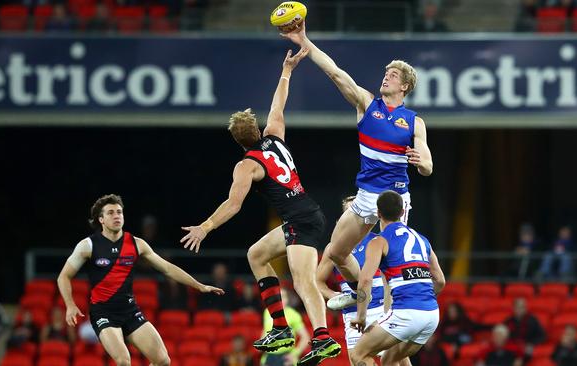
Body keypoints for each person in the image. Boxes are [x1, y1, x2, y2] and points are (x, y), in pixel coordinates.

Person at [180, 47, 342, 365]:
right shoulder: (275, 135)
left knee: (303, 281)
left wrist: (206, 226)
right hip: (305, 215)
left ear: (238, 141)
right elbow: (278, 103)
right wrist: (287, 71)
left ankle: (323, 338)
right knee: (256, 254)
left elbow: (233, 204)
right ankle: (280, 326)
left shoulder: (246, 164)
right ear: (257, 130)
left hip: (300, 220)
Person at [282, 23, 433, 292]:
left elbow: (428, 166)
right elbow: (335, 73)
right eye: (386, 72)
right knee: (336, 252)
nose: (386, 77)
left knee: (391, 263)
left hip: (394, 200)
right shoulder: (366, 103)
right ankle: (363, 294)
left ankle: (387, 310)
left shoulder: (414, 122)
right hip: (365, 195)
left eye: (394, 75)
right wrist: (304, 40)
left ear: (405, 86)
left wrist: (421, 163)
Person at [57, 194, 224, 366]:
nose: (117, 216)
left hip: (130, 311)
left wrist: (199, 286)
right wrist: (70, 304)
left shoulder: (137, 244)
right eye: (111, 213)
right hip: (103, 313)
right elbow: (64, 276)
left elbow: (167, 268)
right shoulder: (88, 245)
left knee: (163, 361)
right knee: (123, 361)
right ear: (101, 219)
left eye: (119, 212)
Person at [349, 190, 445, 365]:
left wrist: (361, 317)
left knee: (358, 354)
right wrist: (422, 299)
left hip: (406, 313)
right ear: (402, 212)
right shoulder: (423, 240)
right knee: (389, 360)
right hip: (431, 315)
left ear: (378, 213)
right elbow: (440, 280)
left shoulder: (379, 241)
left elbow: (365, 280)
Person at [316, 196, 389, 364]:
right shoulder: (333, 248)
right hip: (353, 313)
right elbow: (317, 281)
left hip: (380, 308)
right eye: (352, 212)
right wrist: (333, 295)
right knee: (359, 361)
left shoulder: (379, 241)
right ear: (343, 219)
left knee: (395, 360)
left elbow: (390, 276)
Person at [260, 289, 310, 366]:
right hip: (268, 357)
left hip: (285, 357)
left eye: (283, 296)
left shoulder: (293, 315)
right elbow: (265, 329)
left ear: (287, 299)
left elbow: (305, 337)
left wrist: (295, 354)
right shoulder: (267, 312)